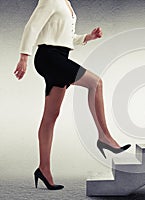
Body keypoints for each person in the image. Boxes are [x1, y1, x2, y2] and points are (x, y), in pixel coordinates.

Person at [13, 0, 130, 190]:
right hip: (49, 57)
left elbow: (63, 37)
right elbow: (32, 26)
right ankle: (104, 137)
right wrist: (24, 56)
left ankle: (43, 169)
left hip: (58, 56)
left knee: (50, 117)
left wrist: (87, 37)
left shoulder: (66, 3)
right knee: (96, 83)